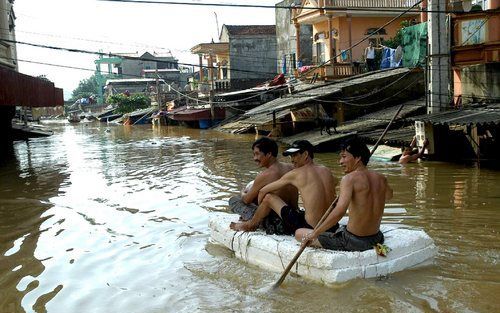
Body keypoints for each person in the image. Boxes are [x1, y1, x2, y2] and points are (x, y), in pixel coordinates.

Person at [296, 137, 393, 252]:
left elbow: (339, 212)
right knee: (341, 228)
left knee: (299, 233)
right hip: (376, 239)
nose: (340, 162)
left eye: (344, 157)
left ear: (357, 158)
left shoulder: (349, 179)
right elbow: (388, 196)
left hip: (353, 241)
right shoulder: (381, 178)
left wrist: (315, 233)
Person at [230, 140, 339, 235]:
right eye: (291, 156)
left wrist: (259, 204)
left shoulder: (296, 173)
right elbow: (335, 183)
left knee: (268, 198)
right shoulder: (326, 170)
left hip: (310, 227)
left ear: (306, 154)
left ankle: (250, 225)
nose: (292, 160)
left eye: (295, 155)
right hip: (331, 225)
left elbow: (263, 191)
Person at [229, 137, 298, 226]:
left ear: (269, 154)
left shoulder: (265, 175)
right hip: (292, 212)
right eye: (254, 154)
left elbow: (246, 200)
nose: (255, 158)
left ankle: (255, 222)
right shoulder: (292, 167)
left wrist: (242, 192)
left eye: (257, 154)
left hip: (275, 219)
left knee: (234, 200)